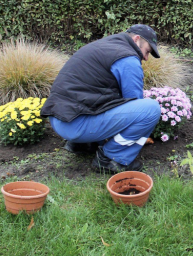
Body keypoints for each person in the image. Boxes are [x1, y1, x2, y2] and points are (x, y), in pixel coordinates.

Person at [40, 24, 162, 172]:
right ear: (137, 40)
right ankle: (112, 158)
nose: (146, 58)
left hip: (59, 119)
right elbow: (135, 101)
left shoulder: (104, 45)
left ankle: (83, 144)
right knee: (150, 109)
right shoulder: (127, 58)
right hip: (75, 125)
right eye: (147, 51)